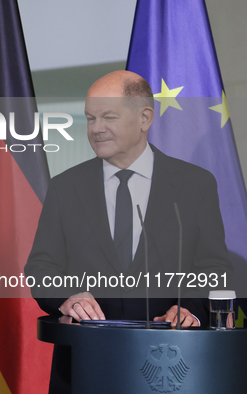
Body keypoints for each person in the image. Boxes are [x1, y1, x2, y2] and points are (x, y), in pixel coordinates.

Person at [24, 71, 231, 393]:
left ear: (144, 117)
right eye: (90, 118)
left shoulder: (194, 184)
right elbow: (41, 266)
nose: (95, 129)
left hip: (171, 364)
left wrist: (191, 307)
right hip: (86, 362)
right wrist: (67, 296)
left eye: (108, 117)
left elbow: (213, 266)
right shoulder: (66, 187)